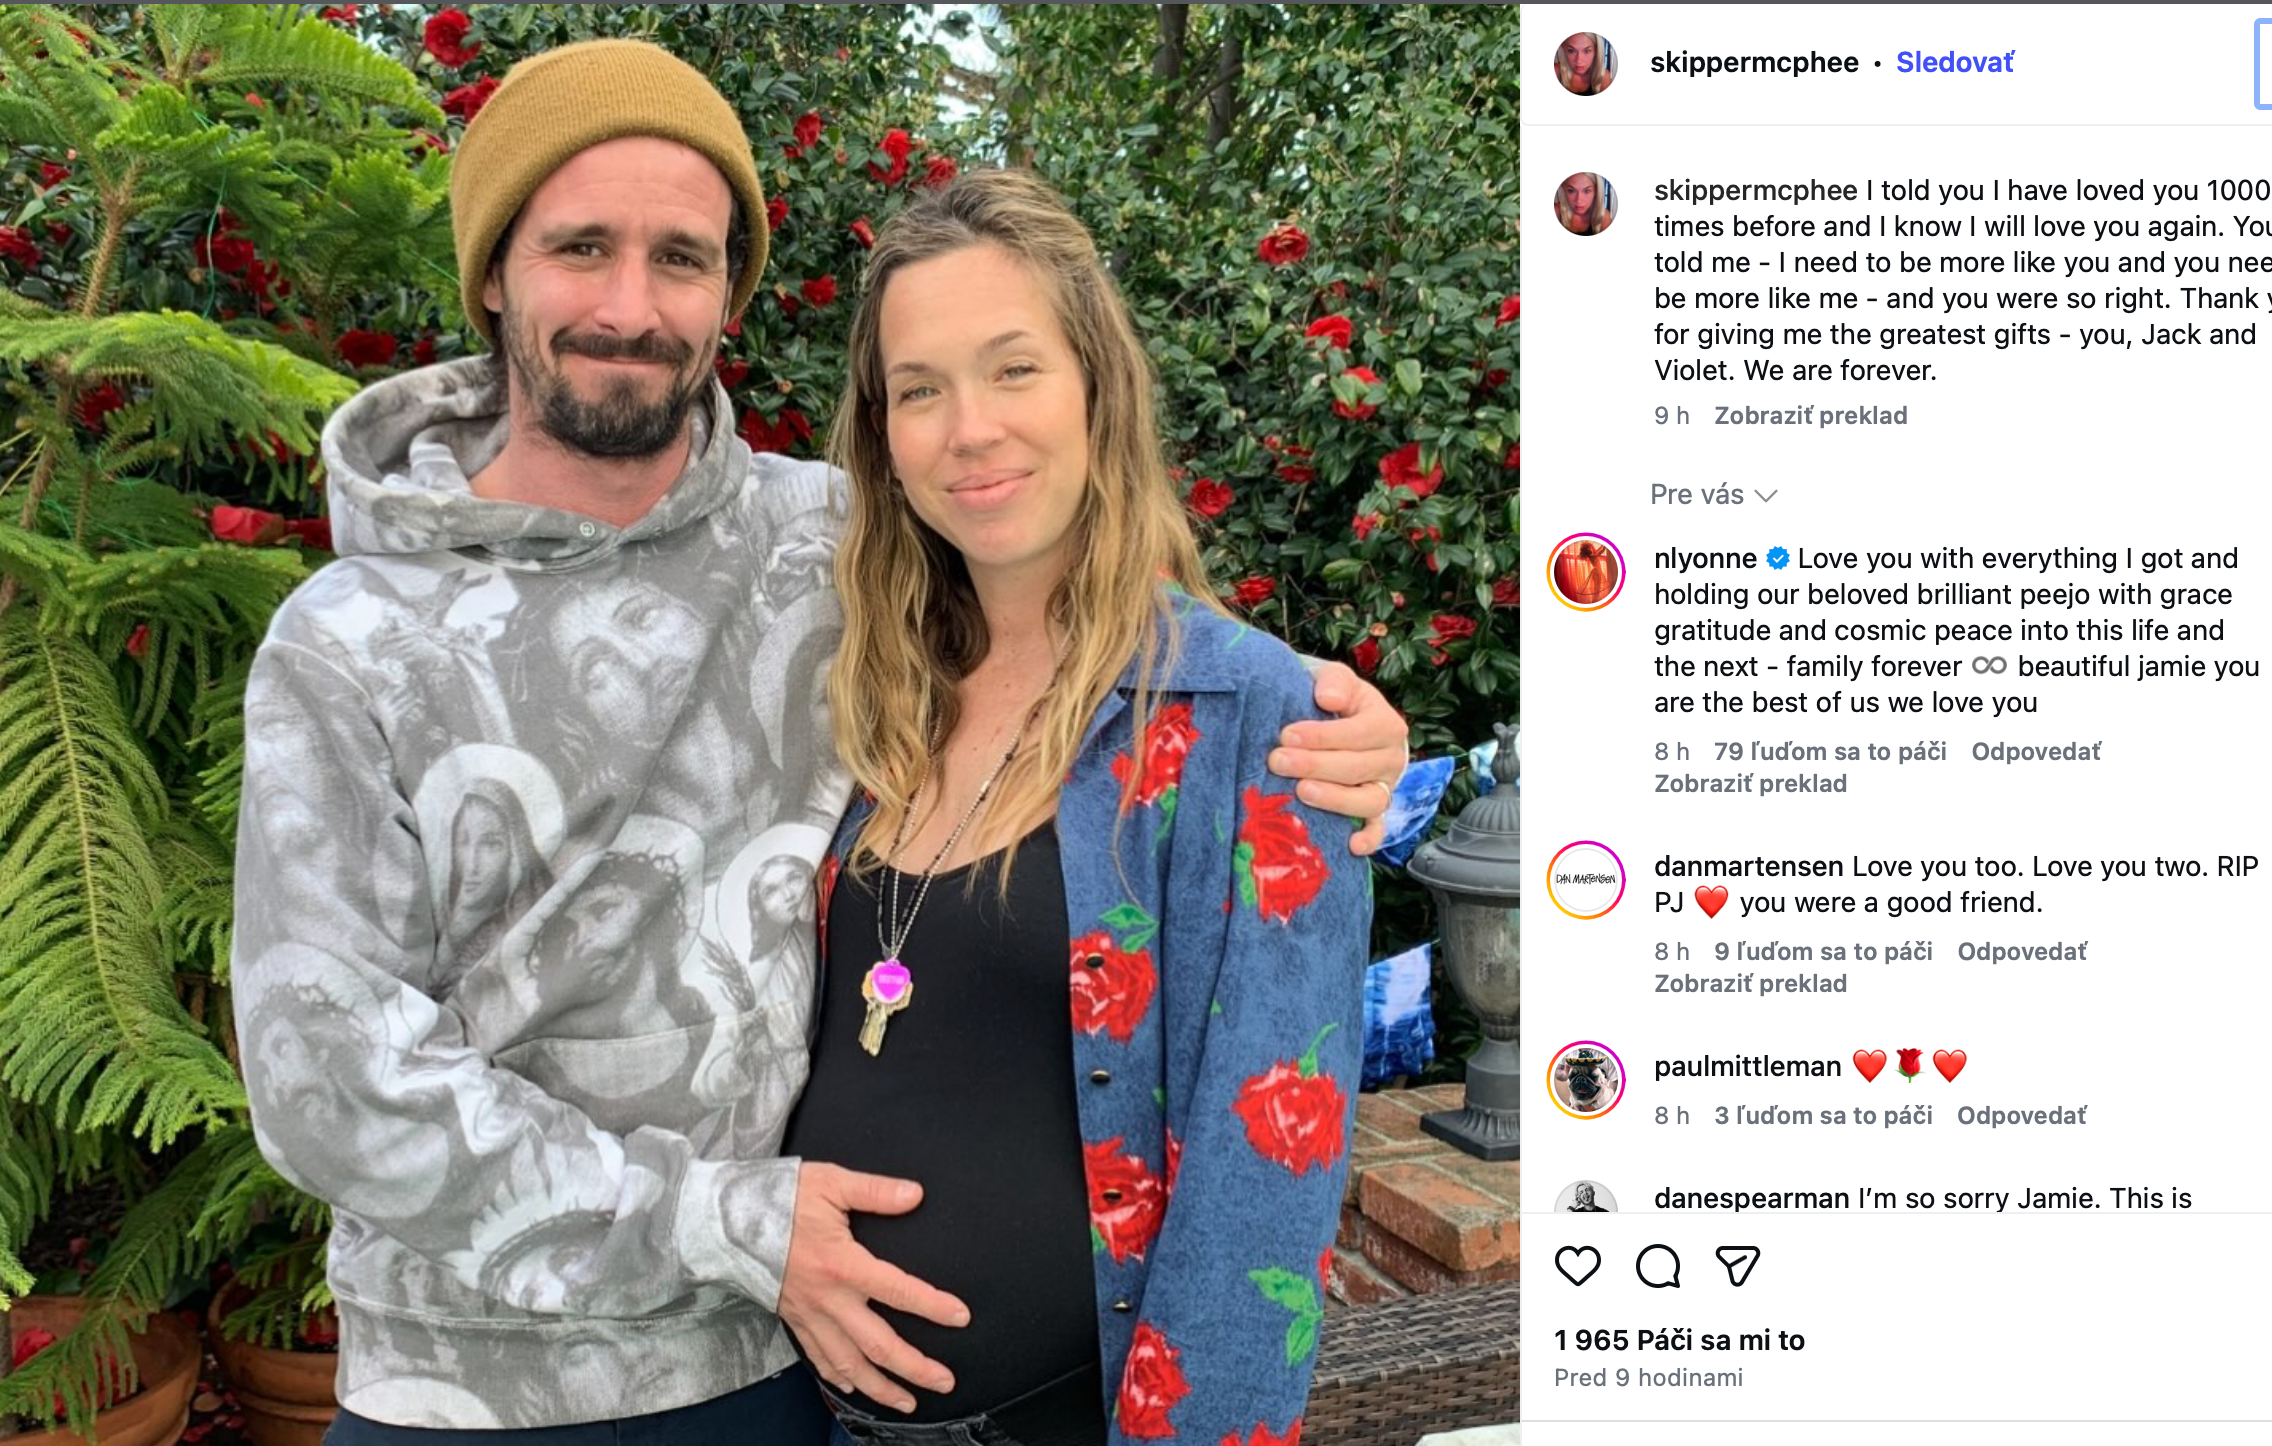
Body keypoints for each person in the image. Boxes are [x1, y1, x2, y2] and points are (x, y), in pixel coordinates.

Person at [229, 38, 1408, 1443]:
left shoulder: (831, 553)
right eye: (580, 246)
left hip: (780, 1384)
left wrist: (1312, 719)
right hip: (471, 1383)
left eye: (681, 257)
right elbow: (321, 1078)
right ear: (492, 271)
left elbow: (1074, 595)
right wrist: (723, 1219)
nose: (629, 305)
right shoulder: (348, 641)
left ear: (729, 291)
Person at [782, 171, 1372, 1446]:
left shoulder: (1248, 720)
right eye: (919, 390)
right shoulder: (868, 687)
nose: (968, 429)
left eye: (1013, 370)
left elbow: (1263, 1194)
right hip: (807, 1414)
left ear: (1097, 386)